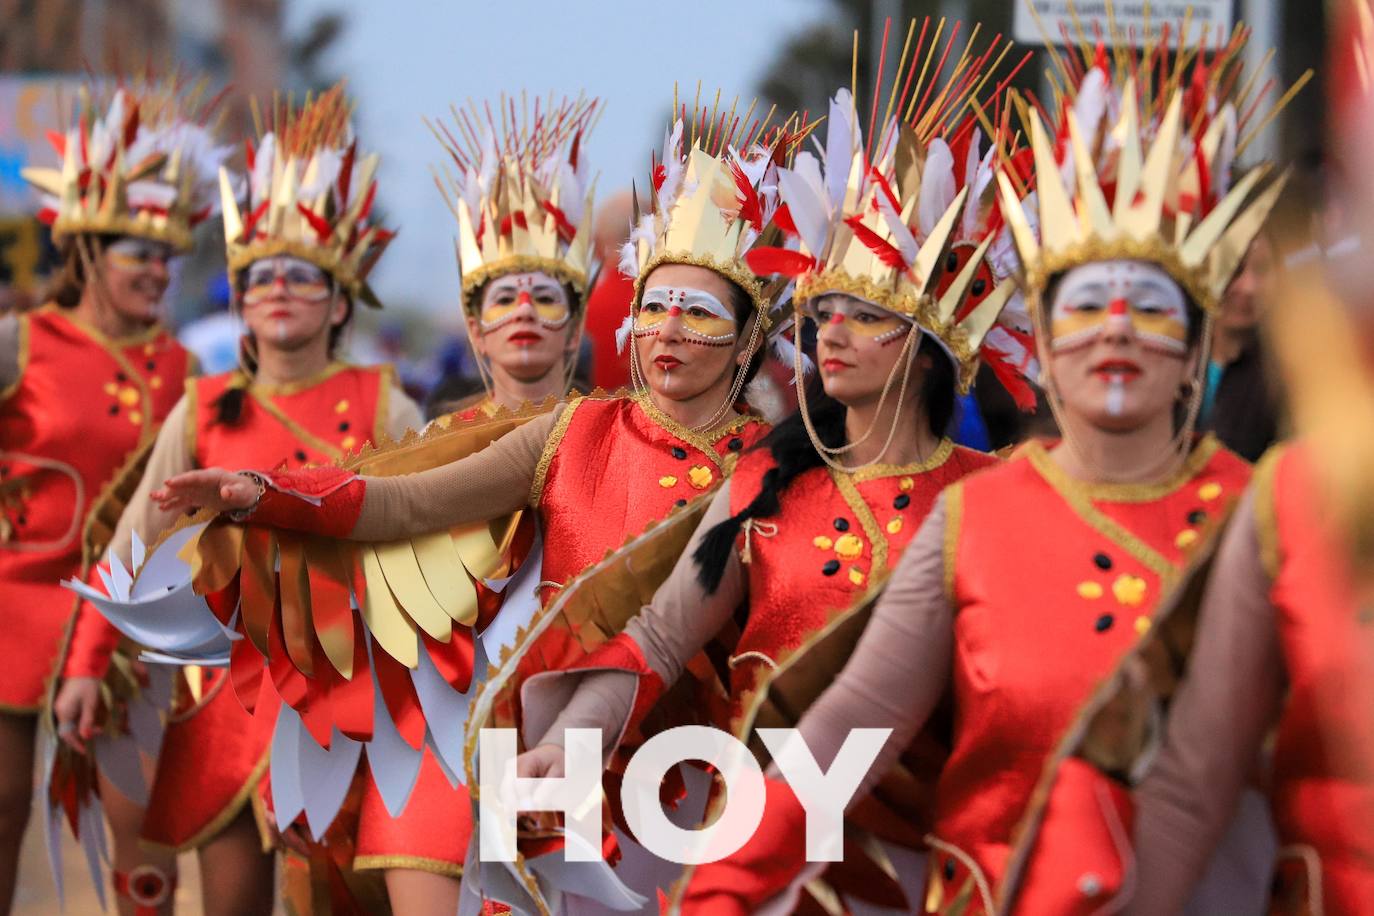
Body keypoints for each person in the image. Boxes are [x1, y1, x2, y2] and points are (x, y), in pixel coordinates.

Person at [671, 31, 1297, 913]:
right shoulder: (976, 519)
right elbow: (850, 730)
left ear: (1197, 346)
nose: (1115, 328)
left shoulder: (1273, 517)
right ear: (1040, 338)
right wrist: (720, 892)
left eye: (1151, 307)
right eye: (1085, 304)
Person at [146, 94, 811, 913]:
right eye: (653, 306)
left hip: (700, 774)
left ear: (748, 338)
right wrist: (266, 492)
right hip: (548, 764)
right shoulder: (576, 431)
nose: (669, 328)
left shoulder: (778, 467)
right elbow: (402, 503)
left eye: (700, 311)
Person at [508, 21, 1037, 909]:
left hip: (937, 857)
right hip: (761, 846)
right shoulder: (767, 478)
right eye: (822, 309)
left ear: (935, 345)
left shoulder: (996, 499)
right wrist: (574, 741)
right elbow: (663, 635)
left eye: (864, 315)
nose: (830, 330)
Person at [52, 85, 421, 916]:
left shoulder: (385, 401)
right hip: (221, 695)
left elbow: (424, 543)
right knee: (232, 901)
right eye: (258, 276)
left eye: (301, 274)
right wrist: (84, 666)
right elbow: (129, 547)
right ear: (239, 301)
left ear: (339, 298)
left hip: (344, 688)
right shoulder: (205, 402)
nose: (278, 287)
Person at [0, 77, 225, 914]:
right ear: (85, 250)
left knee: (144, 844)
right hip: (14, 611)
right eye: (141, 251)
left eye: (169, 254)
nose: (162, 270)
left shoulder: (187, 371)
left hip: (135, 626)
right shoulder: (21, 344)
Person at [1199, 231, 1282, 460]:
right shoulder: (1177, 356)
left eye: (1262, 270)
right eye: (1235, 270)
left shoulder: (1284, 370)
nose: (1249, 287)